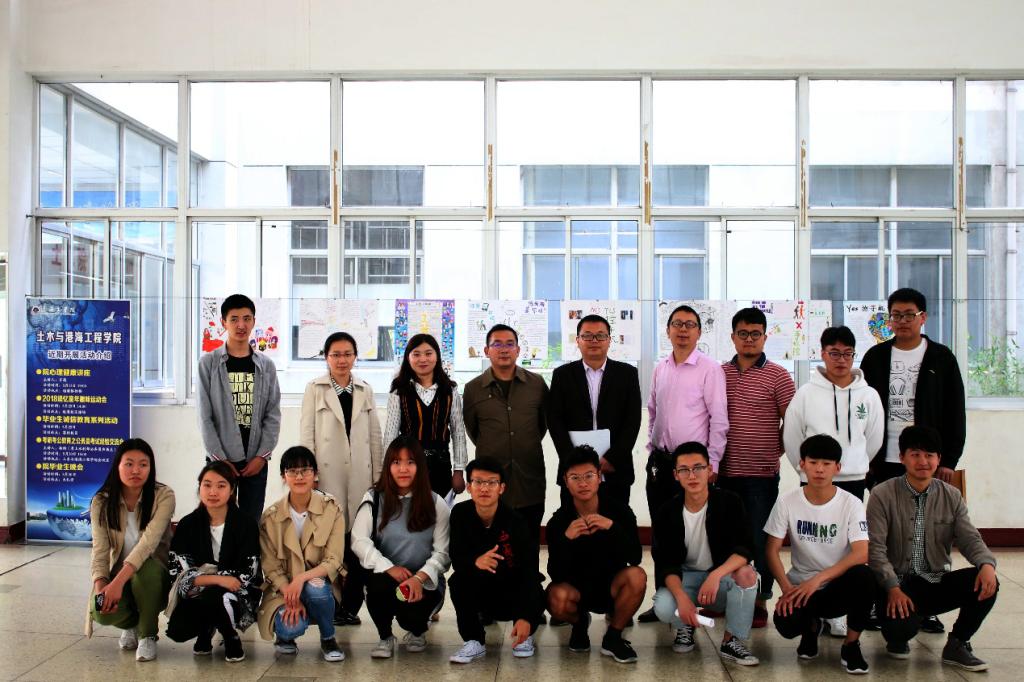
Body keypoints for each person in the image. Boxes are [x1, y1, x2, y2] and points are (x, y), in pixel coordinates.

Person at [860, 288, 967, 635]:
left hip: (925, 462)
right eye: (896, 315)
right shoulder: (875, 357)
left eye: (909, 314)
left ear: (923, 317)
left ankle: (928, 604)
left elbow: (956, 412)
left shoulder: (941, 358)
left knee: (929, 533)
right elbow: (861, 411)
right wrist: (865, 457)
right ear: (889, 319)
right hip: (884, 460)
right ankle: (882, 599)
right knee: (885, 534)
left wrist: (949, 460)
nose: (902, 321)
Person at [867, 425, 998, 672]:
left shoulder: (952, 496)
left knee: (988, 582)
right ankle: (900, 631)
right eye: (915, 454)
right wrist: (892, 588)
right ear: (902, 457)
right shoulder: (882, 494)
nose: (923, 462)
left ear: (938, 459)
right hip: (897, 584)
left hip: (934, 581)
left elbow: (970, 538)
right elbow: (876, 551)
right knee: (899, 630)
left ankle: (958, 643)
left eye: (929, 455)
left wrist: (986, 564)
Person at [641, 304, 728, 623]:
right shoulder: (661, 368)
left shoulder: (709, 369)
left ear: (699, 332)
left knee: (692, 535)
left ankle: (694, 599)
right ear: (667, 331)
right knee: (662, 535)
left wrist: (712, 461)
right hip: (661, 463)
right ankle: (663, 600)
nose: (683, 330)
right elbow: (653, 410)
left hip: (693, 469)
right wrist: (652, 446)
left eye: (689, 325)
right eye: (677, 324)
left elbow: (719, 419)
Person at [764, 434, 873, 674]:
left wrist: (819, 579)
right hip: (800, 587)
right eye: (813, 462)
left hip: (836, 587)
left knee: (864, 577)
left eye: (826, 463)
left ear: (838, 467)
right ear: (802, 465)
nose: (820, 469)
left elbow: (862, 553)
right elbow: (771, 550)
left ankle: (851, 645)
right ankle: (811, 629)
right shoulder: (787, 501)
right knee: (786, 623)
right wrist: (786, 589)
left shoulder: (851, 503)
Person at [718, 307, 796, 628]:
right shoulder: (719, 373)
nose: (749, 339)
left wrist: (775, 449)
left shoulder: (778, 375)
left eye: (755, 334)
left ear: (765, 337)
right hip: (723, 473)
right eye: (743, 333)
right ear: (733, 337)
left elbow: (792, 421)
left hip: (760, 476)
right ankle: (727, 596)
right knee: (725, 539)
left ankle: (760, 600)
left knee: (759, 540)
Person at [300, 330, 383, 626]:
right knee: (331, 542)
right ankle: (332, 605)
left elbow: (375, 436)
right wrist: (308, 474)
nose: (342, 360)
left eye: (348, 354)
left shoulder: (365, 389)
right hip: (328, 476)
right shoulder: (315, 389)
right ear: (326, 357)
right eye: (335, 354)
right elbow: (307, 434)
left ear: (355, 357)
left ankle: (350, 606)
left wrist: (378, 476)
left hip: (360, 476)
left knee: (358, 541)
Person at [651, 442, 760, 666]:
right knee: (663, 606)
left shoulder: (730, 502)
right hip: (685, 578)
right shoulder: (667, 511)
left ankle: (731, 640)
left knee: (747, 574)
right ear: (675, 475)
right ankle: (685, 626)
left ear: (709, 470)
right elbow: (665, 563)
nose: (692, 475)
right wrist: (681, 598)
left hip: (719, 579)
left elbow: (745, 549)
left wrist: (715, 575)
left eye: (698, 468)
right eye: (684, 470)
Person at [351, 435, 451, 659]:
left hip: (423, 580)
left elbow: (443, 553)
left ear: (420, 466)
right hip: (387, 575)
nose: (403, 469)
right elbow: (359, 540)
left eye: (410, 462)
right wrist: (388, 567)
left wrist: (419, 578)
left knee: (411, 618)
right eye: (396, 462)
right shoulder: (374, 498)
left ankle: (417, 631)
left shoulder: (437, 503)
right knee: (375, 585)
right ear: (388, 466)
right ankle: (385, 636)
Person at [546, 445, 647, 664]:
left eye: (589, 476)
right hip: (577, 592)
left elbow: (636, 557)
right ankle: (579, 625)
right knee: (555, 596)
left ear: (599, 477)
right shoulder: (558, 521)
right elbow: (555, 573)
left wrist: (612, 527)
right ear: (565, 481)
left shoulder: (620, 511)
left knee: (637, 576)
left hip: (611, 588)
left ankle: (613, 637)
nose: (583, 483)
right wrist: (566, 539)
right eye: (575, 477)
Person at [447, 457, 545, 664]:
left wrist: (526, 616)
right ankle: (474, 640)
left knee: (535, 585)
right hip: (482, 593)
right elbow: (456, 557)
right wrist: (476, 561)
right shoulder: (460, 514)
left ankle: (524, 635)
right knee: (457, 580)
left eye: (491, 482)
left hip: (511, 591)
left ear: (502, 488)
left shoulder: (516, 521)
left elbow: (529, 570)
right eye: (478, 482)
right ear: (468, 487)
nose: (484, 488)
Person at [87, 438, 175, 662]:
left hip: (155, 572)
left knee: (146, 572)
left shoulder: (163, 496)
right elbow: (99, 551)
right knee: (101, 612)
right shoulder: (101, 501)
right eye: (129, 464)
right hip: (118, 573)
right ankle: (133, 624)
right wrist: (102, 586)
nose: (136, 470)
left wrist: (116, 585)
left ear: (150, 468)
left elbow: (147, 545)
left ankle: (148, 634)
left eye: (143, 464)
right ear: (117, 466)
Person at [257, 446, 346, 662]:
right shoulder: (270, 517)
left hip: (317, 581)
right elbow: (270, 566)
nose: (299, 477)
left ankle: (328, 637)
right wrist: (290, 592)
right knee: (290, 627)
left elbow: (333, 560)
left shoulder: (331, 509)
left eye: (305, 470)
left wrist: (301, 579)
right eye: (292, 471)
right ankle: (285, 638)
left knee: (317, 591)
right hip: (283, 588)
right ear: (283, 476)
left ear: (315, 474)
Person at [166, 460, 262, 662]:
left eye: (221, 486)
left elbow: (248, 573)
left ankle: (230, 636)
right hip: (199, 591)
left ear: (232, 489)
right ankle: (206, 628)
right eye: (207, 485)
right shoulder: (187, 525)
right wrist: (217, 579)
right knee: (177, 630)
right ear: (199, 487)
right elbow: (178, 574)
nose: (213, 492)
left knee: (215, 596)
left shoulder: (246, 524)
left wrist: (205, 578)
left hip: (238, 593)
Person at [463, 323, 550, 544]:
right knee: (493, 546)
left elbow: (542, 425)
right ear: (486, 350)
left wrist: (522, 442)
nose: (504, 349)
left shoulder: (537, 384)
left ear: (518, 350)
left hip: (528, 480)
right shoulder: (473, 389)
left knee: (528, 544)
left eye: (510, 344)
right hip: (489, 486)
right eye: (497, 344)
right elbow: (474, 430)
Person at [198, 294, 282, 520]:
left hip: (255, 460)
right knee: (217, 520)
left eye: (246, 318)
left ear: (254, 321)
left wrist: (262, 456)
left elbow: (273, 415)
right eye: (234, 319)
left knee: (250, 522)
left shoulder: (266, 365)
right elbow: (204, 416)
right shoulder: (209, 363)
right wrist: (220, 459)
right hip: (220, 459)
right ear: (223, 322)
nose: (241, 325)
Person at [548, 314, 642, 504]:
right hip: (574, 471)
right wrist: (572, 460)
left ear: (609, 340)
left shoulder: (627, 374)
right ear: (577, 340)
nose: (594, 340)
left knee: (616, 520)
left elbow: (632, 421)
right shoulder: (562, 375)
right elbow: (554, 420)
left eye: (600, 335)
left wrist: (612, 458)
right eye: (587, 336)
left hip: (615, 469)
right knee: (573, 519)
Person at [783, 326, 883, 502]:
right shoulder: (805, 394)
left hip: (854, 479)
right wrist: (809, 469)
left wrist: (856, 463)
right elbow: (792, 438)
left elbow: (874, 439)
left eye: (847, 354)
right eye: (834, 353)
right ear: (823, 354)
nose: (841, 360)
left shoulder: (868, 395)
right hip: (814, 479)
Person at [384, 333, 467, 499]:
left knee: (440, 512)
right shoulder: (399, 391)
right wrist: (387, 470)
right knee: (410, 511)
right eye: (416, 354)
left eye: (428, 353)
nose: (423, 359)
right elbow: (390, 434)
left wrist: (459, 470)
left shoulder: (450, 390)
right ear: (408, 358)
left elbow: (458, 432)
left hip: (441, 465)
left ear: (437, 356)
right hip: (408, 466)